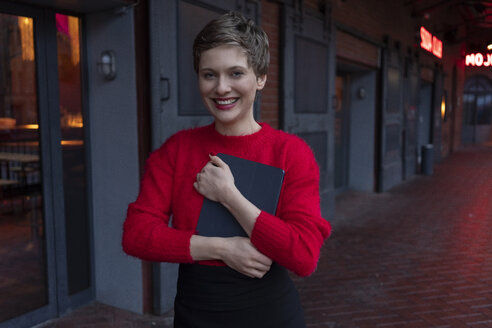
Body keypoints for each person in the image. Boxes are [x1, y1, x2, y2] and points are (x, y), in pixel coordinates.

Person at [122, 11, 331, 328]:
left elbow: (303, 256)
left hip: (270, 313)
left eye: (235, 73)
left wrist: (229, 196)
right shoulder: (176, 151)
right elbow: (136, 235)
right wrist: (221, 248)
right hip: (198, 312)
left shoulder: (290, 153)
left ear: (260, 78)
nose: (221, 88)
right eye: (209, 75)